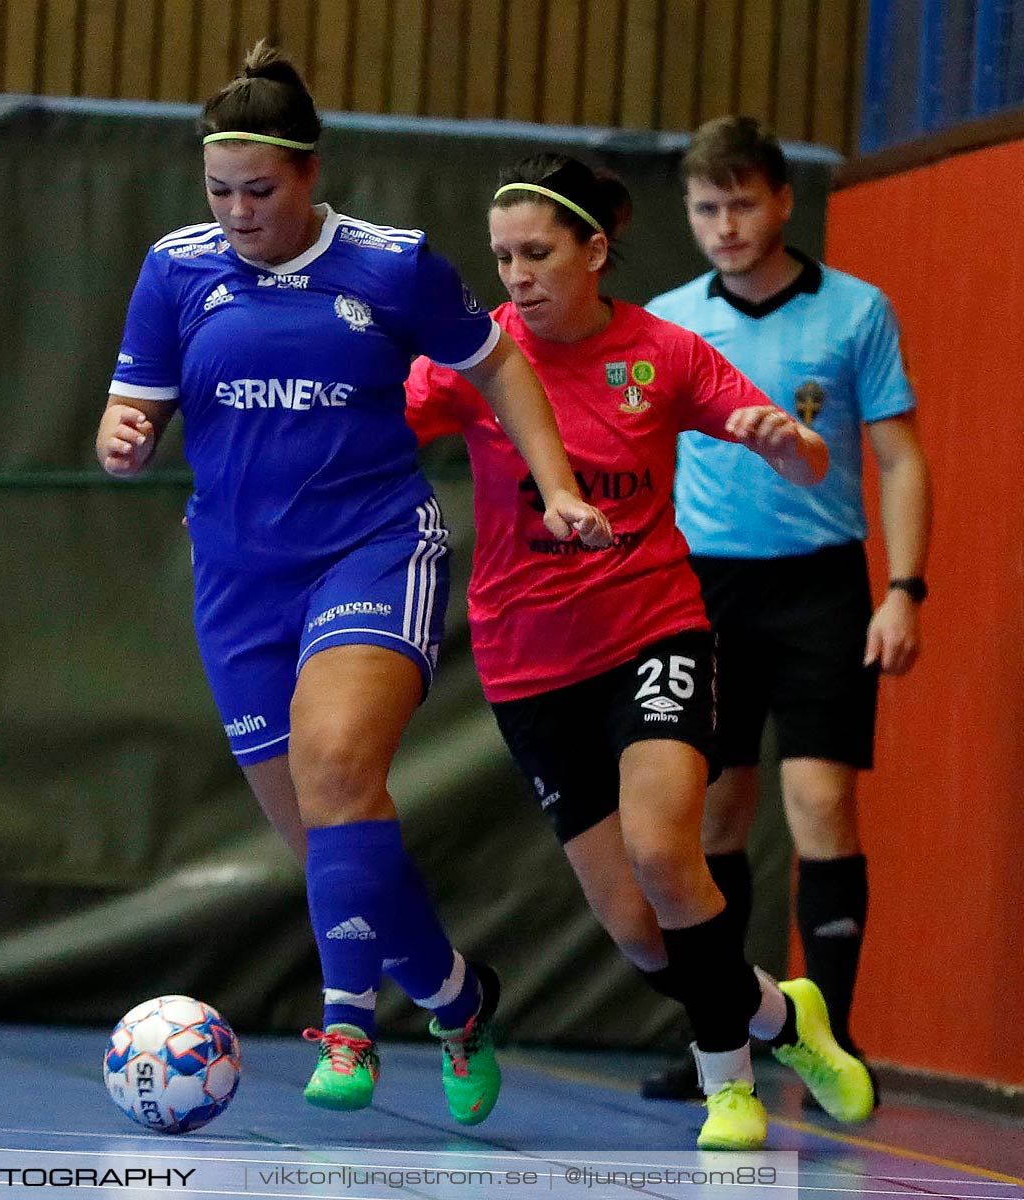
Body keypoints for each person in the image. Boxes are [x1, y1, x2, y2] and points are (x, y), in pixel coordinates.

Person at [96, 44, 612, 1123]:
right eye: (219, 190)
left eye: (260, 189)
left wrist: (554, 485)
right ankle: (455, 995)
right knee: (331, 845)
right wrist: (126, 434)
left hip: (370, 549)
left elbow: (498, 364)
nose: (238, 211)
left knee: (337, 763)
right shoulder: (175, 270)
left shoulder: (392, 267)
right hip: (238, 582)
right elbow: (129, 403)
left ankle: (347, 1026)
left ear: (310, 171)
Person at [406, 152, 874, 1150]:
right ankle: (784, 1018)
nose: (516, 275)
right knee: (631, 926)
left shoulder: (659, 353)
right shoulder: (477, 355)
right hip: (527, 660)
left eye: (536, 253)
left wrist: (784, 442)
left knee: (666, 849)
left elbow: (801, 452)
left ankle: (727, 1089)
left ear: (594, 250)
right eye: (501, 257)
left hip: (650, 628)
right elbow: (376, 427)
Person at [640, 116, 932, 1104]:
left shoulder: (855, 313)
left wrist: (901, 589)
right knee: (709, 810)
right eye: (703, 207)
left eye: (739, 204)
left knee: (818, 804)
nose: (722, 225)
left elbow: (897, 458)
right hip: (700, 589)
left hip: (819, 587)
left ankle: (829, 1042)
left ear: (778, 202)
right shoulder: (668, 320)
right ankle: (717, 1039)